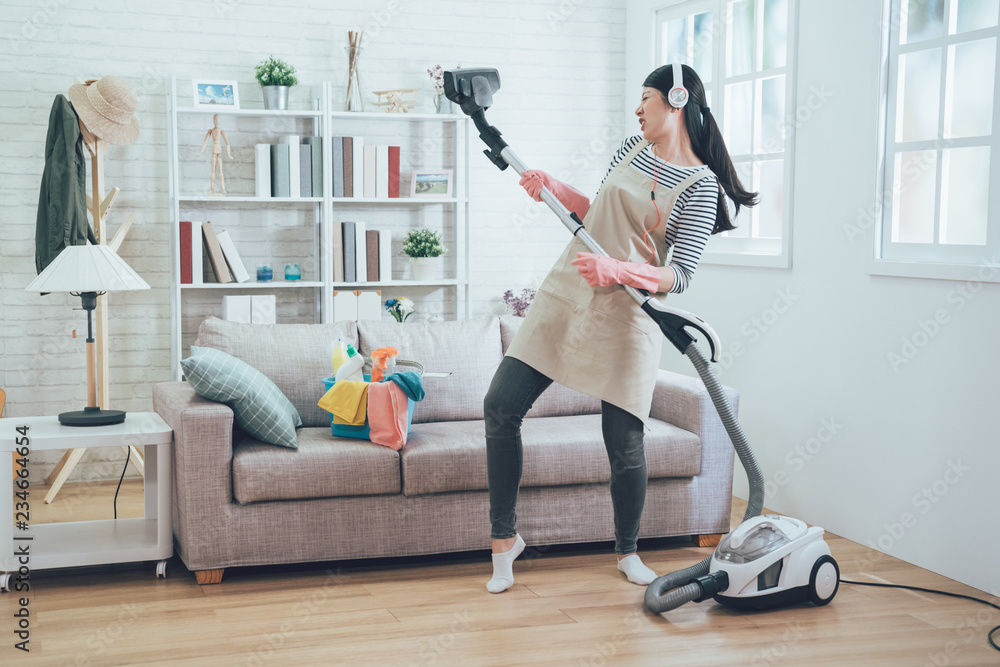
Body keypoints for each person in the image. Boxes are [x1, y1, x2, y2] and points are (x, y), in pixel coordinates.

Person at [483, 64, 757, 593]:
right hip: (570, 289)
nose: (638, 108)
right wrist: (553, 186)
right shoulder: (630, 148)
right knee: (500, 404)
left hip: (630, 313)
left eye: (647, 98)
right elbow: (595, 213)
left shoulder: (701, 187)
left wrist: (618, 270)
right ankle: (503, 541)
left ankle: (628, 551)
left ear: (675, 102)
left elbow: (678, 276)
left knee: (625, 443)